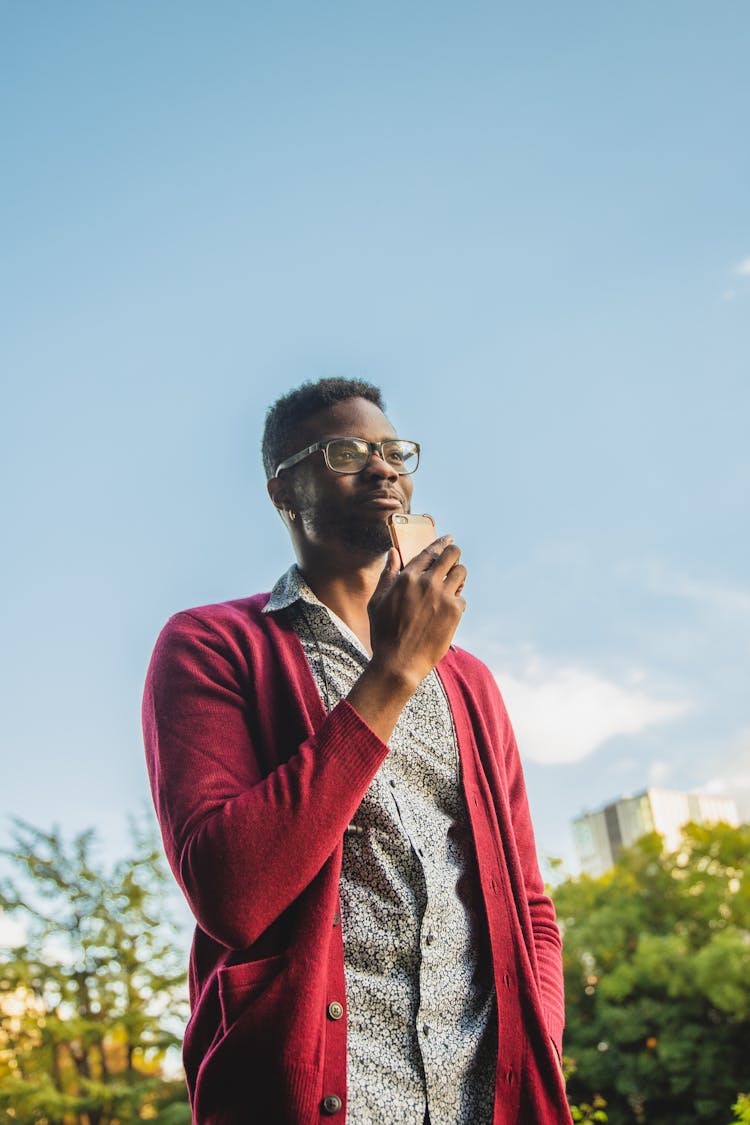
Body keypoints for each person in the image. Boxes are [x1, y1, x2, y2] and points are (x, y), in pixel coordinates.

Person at [142, 377, 573, 1125]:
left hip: (484, 1102)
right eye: (346, 451)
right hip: (311, 1097)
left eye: (394, 451)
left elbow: (530, 904)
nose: (383, 467)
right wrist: (394, 672)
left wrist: (535, 1040)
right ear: (284, 489)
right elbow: (232, 893)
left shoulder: (470, 682)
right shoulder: (211, 646)